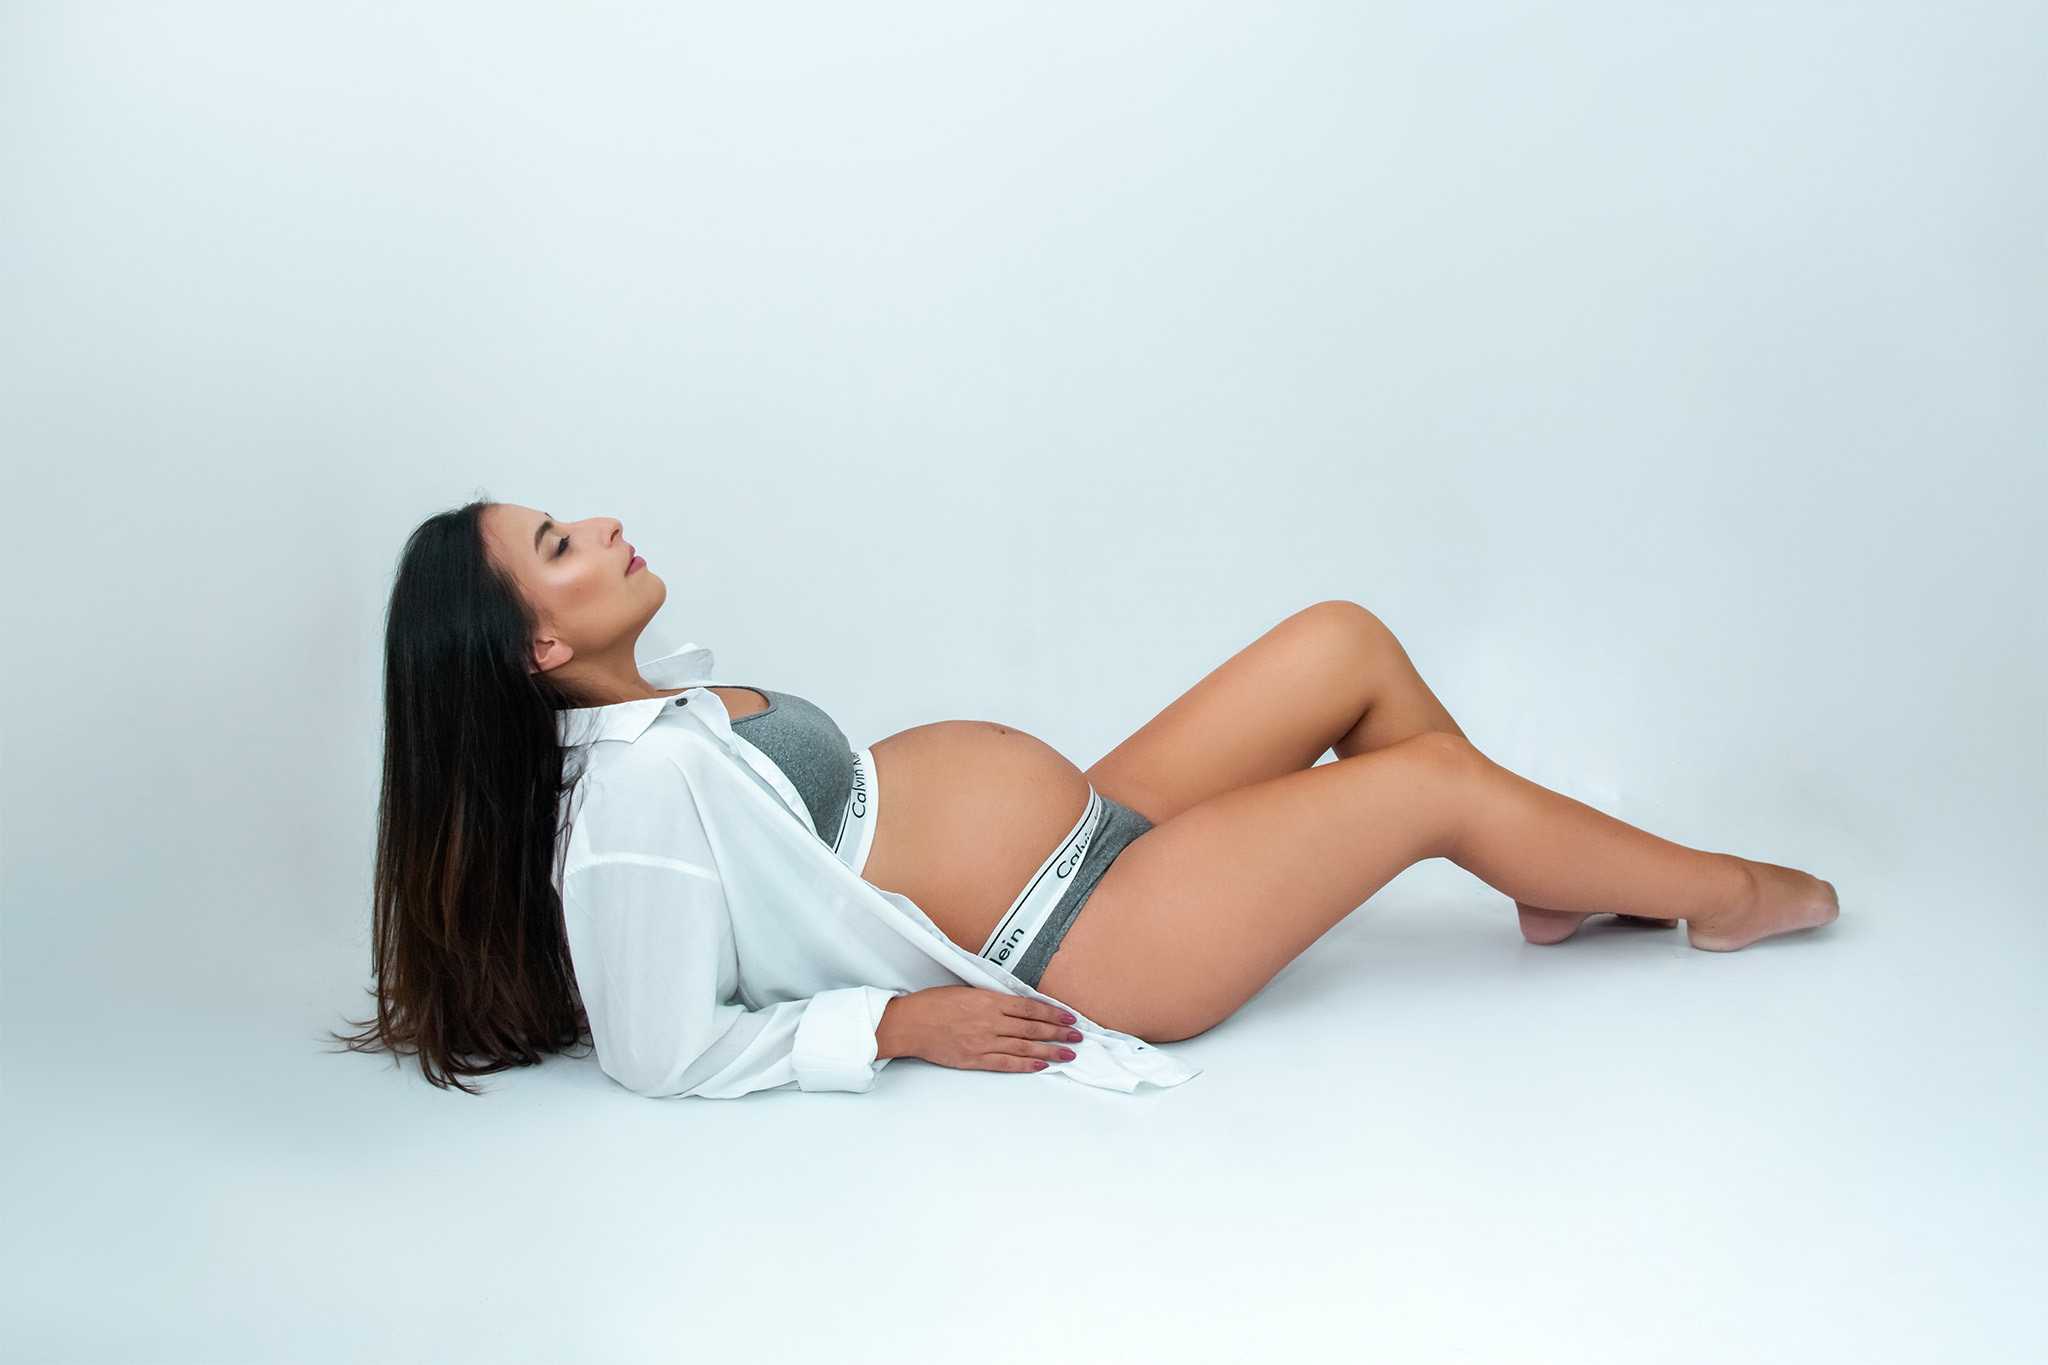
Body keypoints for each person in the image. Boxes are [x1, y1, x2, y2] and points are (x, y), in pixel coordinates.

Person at [332, 498, 1839, 1097]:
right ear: (539, 645)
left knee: (1344, 642)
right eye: (560, 546)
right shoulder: (636, 795)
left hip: (1094, 835)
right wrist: (891, 1027)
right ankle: (1723, 895)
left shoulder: (656, 717)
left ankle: (1548, 879)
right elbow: (659, 1050)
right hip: (1090, 937)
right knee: (1426, 785)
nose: (600, 525)